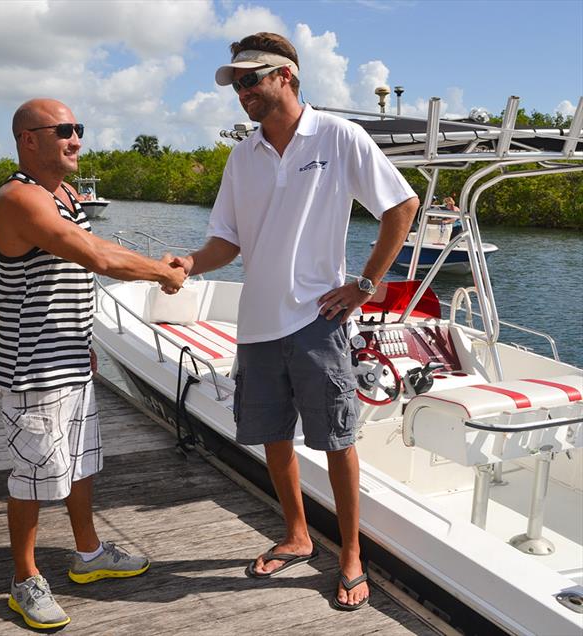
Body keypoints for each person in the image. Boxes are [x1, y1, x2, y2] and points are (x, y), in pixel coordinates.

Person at [172, 33, 418, 611]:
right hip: (256, 323)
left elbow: (401, 206)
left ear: (286, 75)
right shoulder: (243, 154)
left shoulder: (337, 136)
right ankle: (298, 534)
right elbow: (225, 242)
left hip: (317, 321)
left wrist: (362, 284)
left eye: (249, 79)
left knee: (337, 439)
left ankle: (352, 553)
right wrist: (188, 262)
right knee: (274, 439)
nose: (241, 92)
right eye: (235, 83)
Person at [0, 98, 187, 630]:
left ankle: (89, 554)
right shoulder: (19, 198)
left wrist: (84, 342)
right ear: (29, 140)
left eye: (79, 129)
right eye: (65, 131)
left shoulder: (66, 194)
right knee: (31, 477)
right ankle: (24, 579)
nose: (77, 138)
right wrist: (160, 272)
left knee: (80, 464)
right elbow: (94, 256)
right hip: (33, 368)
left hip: (71, 358)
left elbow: (90, 243)